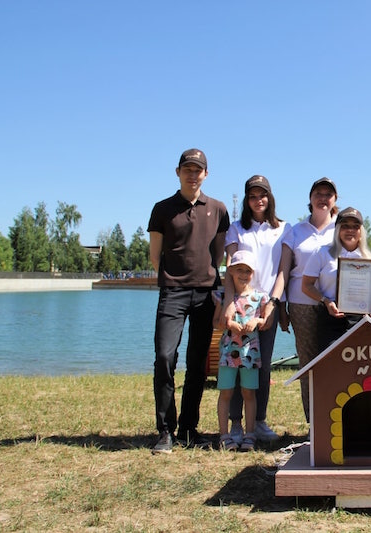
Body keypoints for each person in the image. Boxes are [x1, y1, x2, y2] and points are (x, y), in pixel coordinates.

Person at [148, 148, 229, 454]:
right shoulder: (162, 209)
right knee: (164, 357)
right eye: (187, 169)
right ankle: (165, 431)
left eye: (198, 170)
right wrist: (174, 279)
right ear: (178, 172)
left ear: (206, 174)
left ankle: (188, 429)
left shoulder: (218, 209)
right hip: (173, 292)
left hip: (206, 293)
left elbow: (218, 254)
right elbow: (155, 256)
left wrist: (205, 278)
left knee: (197, 363)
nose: (192, 175)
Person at [224, 175, 292, 446]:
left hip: (267, 305)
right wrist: (229, 304)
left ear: (270, 197)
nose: (258, 200)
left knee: (261, 365)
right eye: (252, 196)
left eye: (262, 195)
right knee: (236, 363)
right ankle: (236, 424)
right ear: (246, 200)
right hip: (241, 304)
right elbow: (229, 269)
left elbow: (284, 270)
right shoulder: (236, 229)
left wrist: (273, 304)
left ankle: (259, 421)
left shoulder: (284, 229)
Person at [287, 177, 338, 422]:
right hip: (302, 305)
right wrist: (282, 306)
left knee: (335, 360)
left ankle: (334, 417)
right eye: (318, 193)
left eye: (328, 194)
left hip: (335, 306)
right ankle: (313, 422)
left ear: (335, 200)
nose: (323, 198)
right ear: (310, 198)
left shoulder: (342, 228)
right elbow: (285, 269)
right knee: (307, 362)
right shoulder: (295, 231)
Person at [302, 207, 371, 352]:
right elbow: (306, 285)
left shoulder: (369, 259)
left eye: (355, 226)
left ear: (361, 231)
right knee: (331, 360)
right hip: (331, 316)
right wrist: (325, 301)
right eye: (345, 226)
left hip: (361, 319)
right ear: (337, 229)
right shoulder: (322, 253)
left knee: (359, 362)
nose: (350, 230)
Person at [213, 250, 268, 452]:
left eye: (247, 271)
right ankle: (224, 435)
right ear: (231, 272)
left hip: (250, 354)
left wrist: (257, 321)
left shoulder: (260, 297)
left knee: (248, 392)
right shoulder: (223, 298)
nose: (243, 275)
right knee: (226, 392)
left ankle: (250, 433)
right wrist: (228, 325)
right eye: (239, 270)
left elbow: (266, 322)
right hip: (228, 354)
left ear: (253, 273)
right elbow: (216, 323)